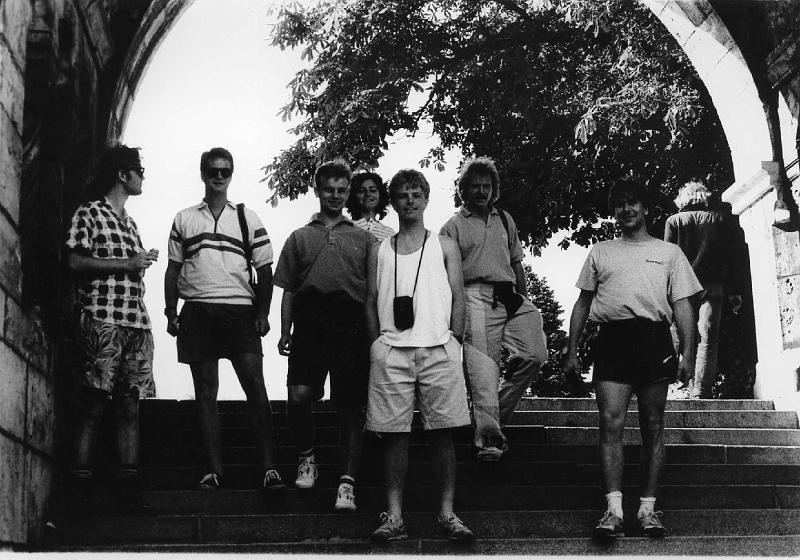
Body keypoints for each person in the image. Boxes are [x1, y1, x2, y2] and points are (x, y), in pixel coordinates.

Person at [564, 178, 702, 540]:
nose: (626, 210)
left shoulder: (670, 253)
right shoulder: (601, 251)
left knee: (653, 425)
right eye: (619, 204)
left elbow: (683, 305)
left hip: (654, 340)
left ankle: (647, 510)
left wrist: (688, 352)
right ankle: (613, 511)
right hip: (612, 340)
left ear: (645, 209)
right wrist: (572, 350)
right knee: (610, 423)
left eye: (632, 203)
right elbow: (582, 303)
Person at [164, 147, 283, 491]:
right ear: (203, 174)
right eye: (213, 171)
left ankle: (270, 468)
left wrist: (262, 313)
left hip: (239, 311)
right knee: (205, 391)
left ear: (231, 175)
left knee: (255, 386)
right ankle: (214, 471)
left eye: (225, 171)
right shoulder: (184, 218)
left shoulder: (247, 217)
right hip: (198, 309)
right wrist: (171, 311)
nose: (219, 177)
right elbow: (173, 269)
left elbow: (264, 269)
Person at [366, 169, 474, 542]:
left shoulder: (443, 244)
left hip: (438, 348)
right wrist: (376, 344)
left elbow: (459, 295)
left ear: (426, 199)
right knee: (394, 437)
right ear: (392, 201)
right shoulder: (380, 248)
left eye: (416, 194)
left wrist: (454, 341)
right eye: (402, 195)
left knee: (443, 435)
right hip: (392, 351)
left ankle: (447, 514)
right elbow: (369, 300)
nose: (409, 201)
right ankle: (394, 516)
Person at [273, 159, 375, 511]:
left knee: (350, 406)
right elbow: (287, 288)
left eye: (342, 190)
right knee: (299, 396)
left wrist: (373, 336)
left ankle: (347, 482)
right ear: (317, 191)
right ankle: (307, 457)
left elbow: (373, 294)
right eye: (329, 189)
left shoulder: (363, 239)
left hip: (350, 324)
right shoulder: (300, 236)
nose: (335, 195)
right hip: (311, 321)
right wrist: (285, 329)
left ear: (349, 193)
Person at [65, 144, 158, 511]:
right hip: (103, 318)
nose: (142, 176)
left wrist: (135, 263)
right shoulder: (90, 213)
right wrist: (128, 262)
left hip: (135, 321)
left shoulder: (130, 224)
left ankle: (128, 482)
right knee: (93, 401)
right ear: (123, 173)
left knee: (130, 404)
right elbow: (74, 259)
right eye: (138, 169)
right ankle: (81, 480)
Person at [440, 157, 548, 462]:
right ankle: (488, 441)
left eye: (486, 186)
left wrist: (525, 300)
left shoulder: (504, 220)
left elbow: (517, 263)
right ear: (463, 189)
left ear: (493, 189)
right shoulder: (453, 226)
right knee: (484, 376)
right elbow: (446, 276)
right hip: (474, 296)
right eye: (474, 186)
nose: (481, 191)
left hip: (510, 295)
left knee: (535, 354)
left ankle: (490, 421)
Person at [664, 181, 743, 398]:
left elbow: (667, 261)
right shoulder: (718, 219)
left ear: (683, 198)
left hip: (682, 289)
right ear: (703, 197)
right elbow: (730, 259)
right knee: (708, 340)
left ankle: (677, 386)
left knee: (679, 337)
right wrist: (734, 291)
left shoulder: (673, 222)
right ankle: (701, 391)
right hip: (712, 287)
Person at [346, 171, 395, 241]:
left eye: (373, 190)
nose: (368, 194)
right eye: (361, 191)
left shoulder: (389, 234)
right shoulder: (344, 229)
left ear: (381, 195)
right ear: (353, 196)